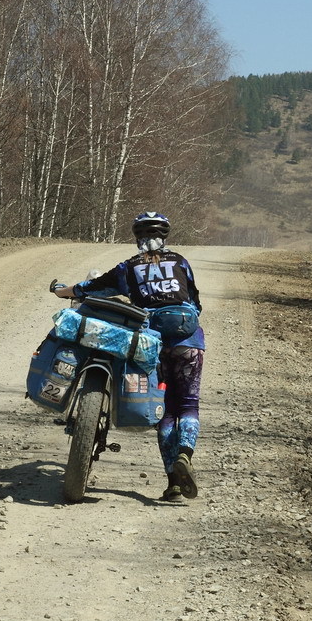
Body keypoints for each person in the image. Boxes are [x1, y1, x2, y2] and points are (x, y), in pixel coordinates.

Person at [51, 211, 205, 502]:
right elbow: (195, 301)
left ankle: (174, 482)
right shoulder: (180, 262)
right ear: (165, 238)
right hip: (189, 341)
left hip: (153, 343)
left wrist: (62, 291)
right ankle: (185, 453)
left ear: (138, 238)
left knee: (164, 411)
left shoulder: (128, 267)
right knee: (186, 404)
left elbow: (89, 288)